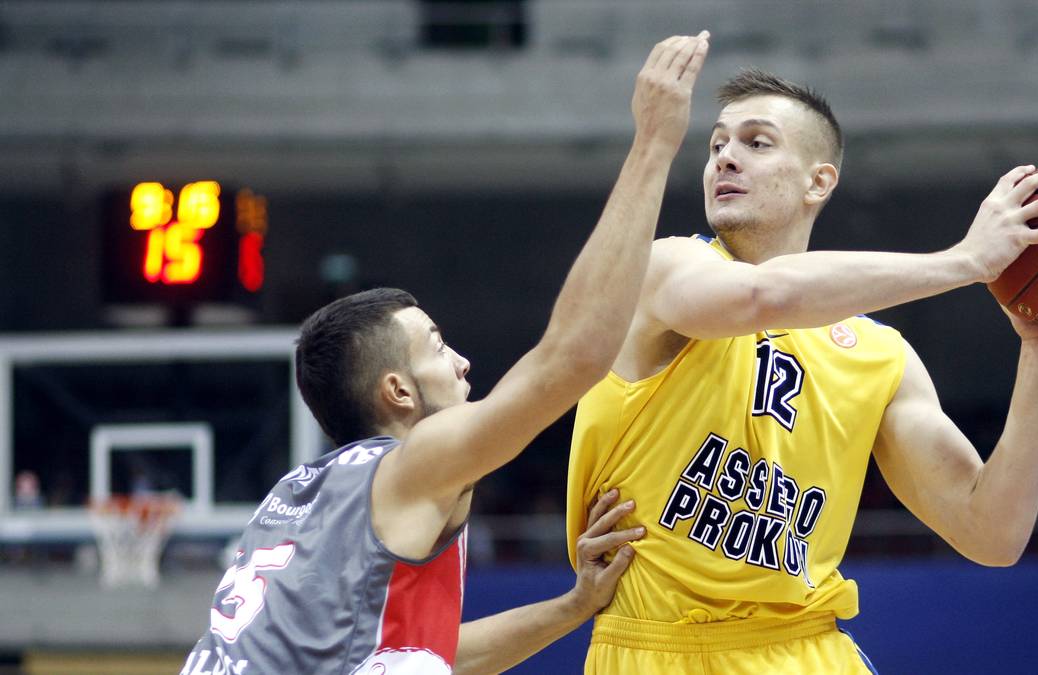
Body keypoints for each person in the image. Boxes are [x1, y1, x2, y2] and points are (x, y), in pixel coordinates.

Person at [566, 67, 1038, 673]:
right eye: (717, 144)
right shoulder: (663, 268)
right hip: (657, 650)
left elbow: (992, 532)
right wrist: (964, 262)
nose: (726, 158)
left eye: (756, 143)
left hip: (808, 651)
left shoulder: (879, 357)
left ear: (819, 181)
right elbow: (761, 297)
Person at [180, 31, 711, 675]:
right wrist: (654, 145)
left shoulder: (301, 495)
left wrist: (575, 607)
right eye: (437, 345)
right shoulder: (414, 461)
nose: (463, 362)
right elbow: (574, 357)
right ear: (397, 392)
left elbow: (430, 657)